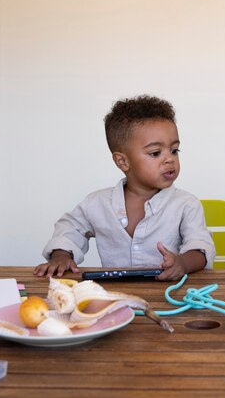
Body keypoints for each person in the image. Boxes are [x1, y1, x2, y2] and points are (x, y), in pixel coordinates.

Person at [33, 94, 215, 280]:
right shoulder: (98, 203)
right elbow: (71, 228)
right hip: (115, 297)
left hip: (170, 295)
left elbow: (200, 245)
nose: (169, 159)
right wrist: (61, 256)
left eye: (174, 150)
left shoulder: (186, 204)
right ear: (123, 161)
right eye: (155, 153)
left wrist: (183, 263)